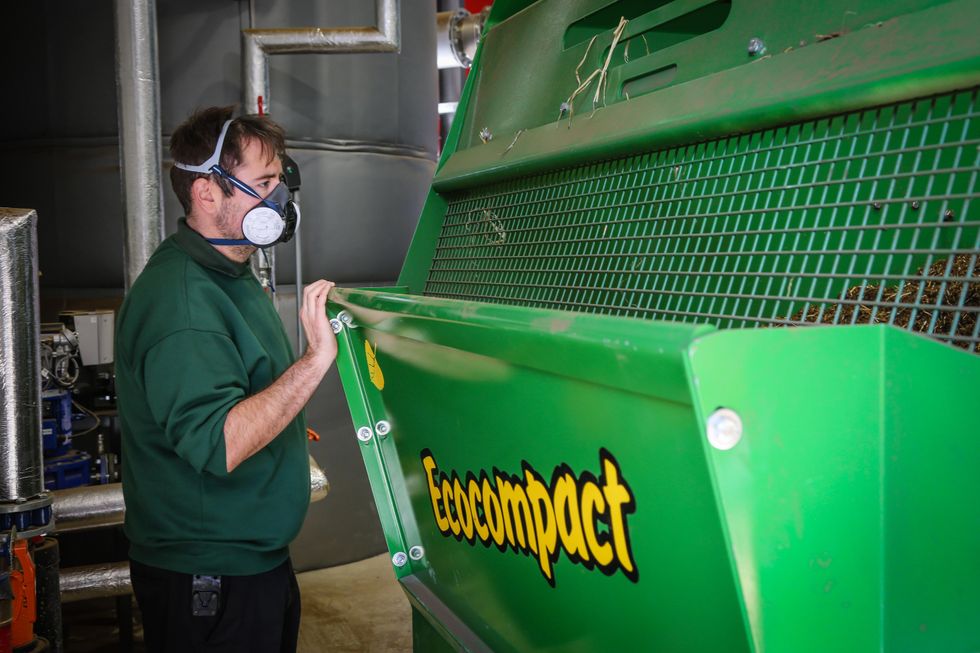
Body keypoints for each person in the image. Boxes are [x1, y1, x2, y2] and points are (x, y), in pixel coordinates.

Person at [115, 106, 336, 652]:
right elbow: (219, 441)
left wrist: (284, 428)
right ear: (207, 193)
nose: (280, 199)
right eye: (263, 183)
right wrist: (313, 362)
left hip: (250, 562)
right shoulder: (183, 303)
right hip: (210, 576)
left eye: (280, 181)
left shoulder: (229, 273)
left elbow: (240, 394)